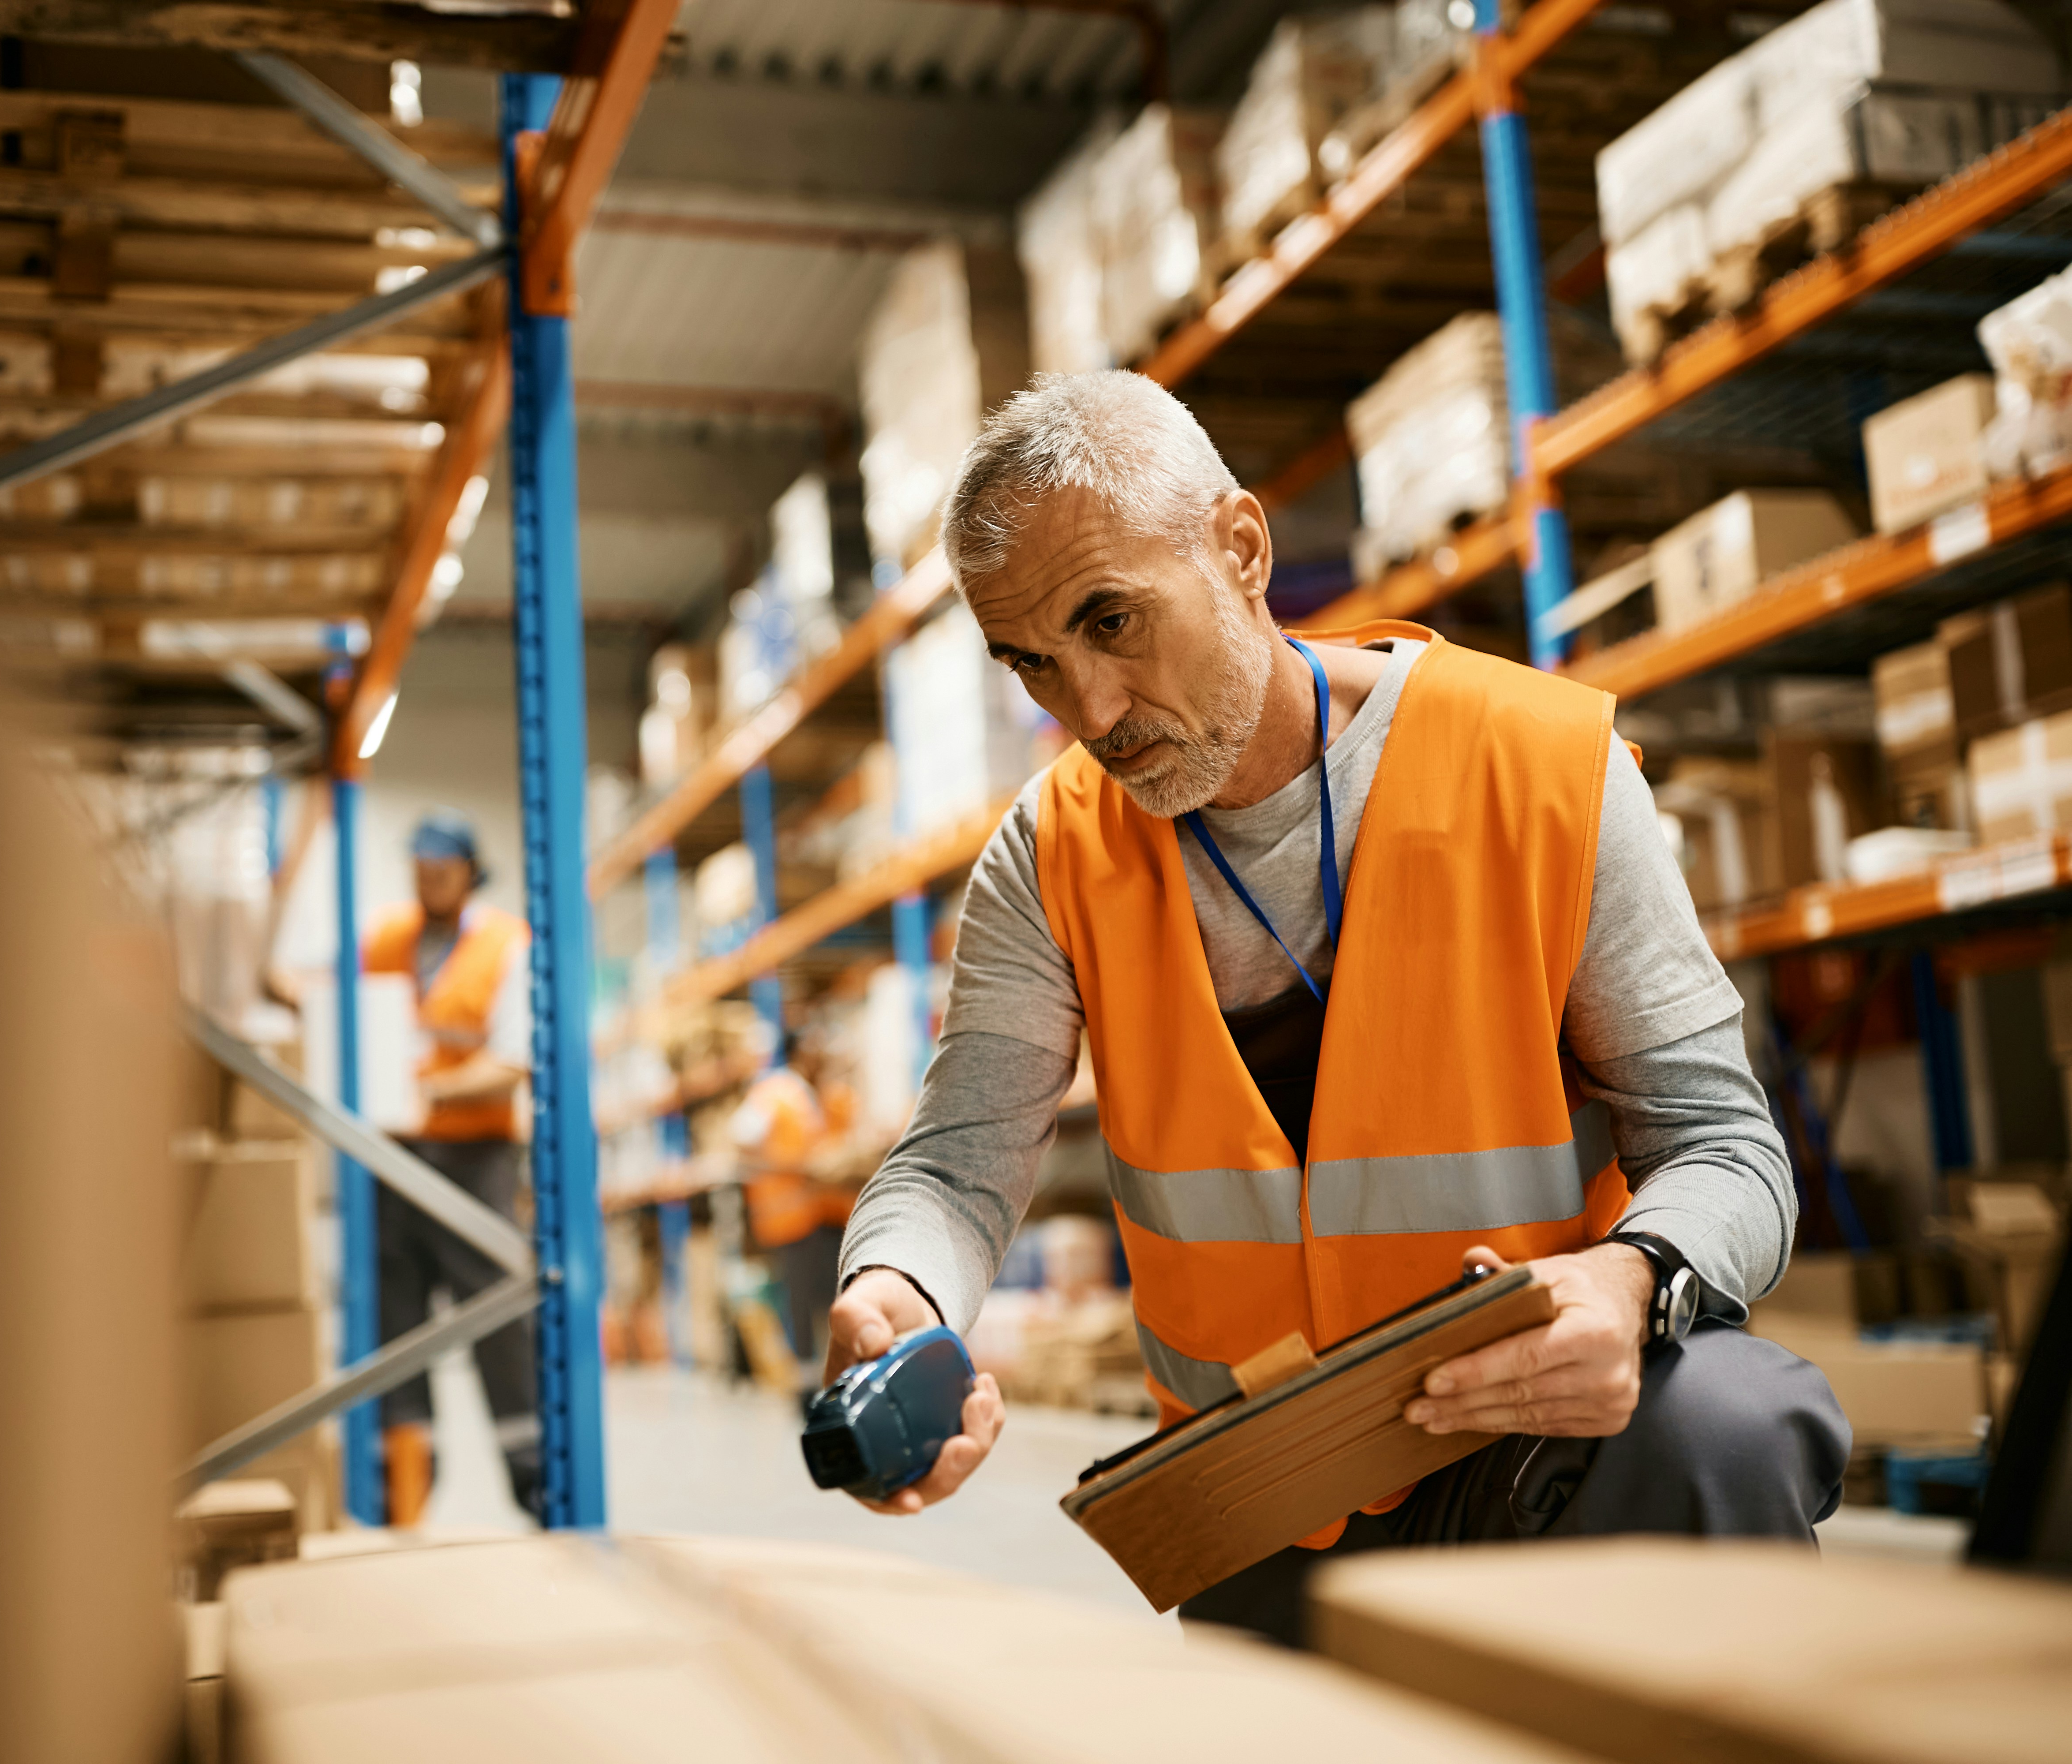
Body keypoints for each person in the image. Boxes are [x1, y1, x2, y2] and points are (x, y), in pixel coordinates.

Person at [828, 371, 1849, 1644]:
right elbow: (959, 1159)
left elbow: (1725, 1146)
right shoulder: (1051, 859)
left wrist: (1633, 1280)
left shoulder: (1540, 769)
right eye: (1033, 663)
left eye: (1112, 623)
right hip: (1263, 1499)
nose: (1087, 712)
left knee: (1725, 1421)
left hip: (1533, 1434)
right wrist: (899, 1290)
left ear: (1240, 548)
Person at [359, 809, 542, 1523]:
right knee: (395, 1321)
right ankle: (399, 1489)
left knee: (498, 1317)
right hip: (393, 1159)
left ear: (470, 869)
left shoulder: (505, 944)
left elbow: (511, 1062)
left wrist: (419, 1089)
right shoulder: (380, 938)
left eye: (442, 864)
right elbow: (315, 1000)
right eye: (420, 864)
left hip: (475, 1160)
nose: (428, 876)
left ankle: (535, 1479)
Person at [730, 1029, 856, 1376]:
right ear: (800, 1052)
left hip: (827, 1215)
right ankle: (806, 1383)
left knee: (833, 1300)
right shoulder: (776, 1093)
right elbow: (742, 1142)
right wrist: (791, 1169)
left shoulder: (827, 1094)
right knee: (802, 1304)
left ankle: (835, 1376)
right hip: (792, 1218)